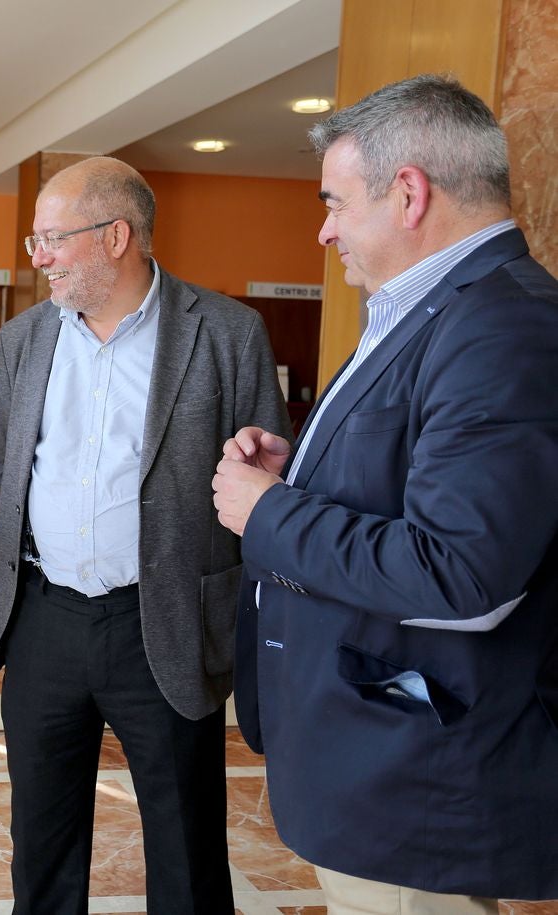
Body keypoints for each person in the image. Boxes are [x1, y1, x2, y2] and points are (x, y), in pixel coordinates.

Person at [213, 74, 558, 912]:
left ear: (408, 193)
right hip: (372, 766)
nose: (324, 228)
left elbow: (462, 576)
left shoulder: (501, 324)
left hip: (419, 788)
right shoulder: (431, 308)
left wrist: (270, 512)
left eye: (335, 201)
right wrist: (303, 471)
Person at [0, 157, 289, 914]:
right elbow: (0, 467)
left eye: (52, 239)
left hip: (168, 619)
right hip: (46, 619)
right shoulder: (23, 340)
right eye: (35, 239)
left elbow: (265, 481)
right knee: (42, 843)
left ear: (117, 236)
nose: (37, 256)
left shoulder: (227, 332)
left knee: (186, 849)